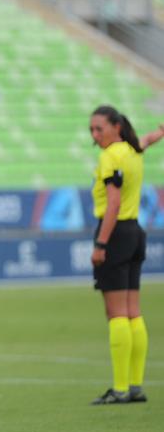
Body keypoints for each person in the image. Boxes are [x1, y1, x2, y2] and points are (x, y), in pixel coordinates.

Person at [88, 106, 163, 405]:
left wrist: (101, 245)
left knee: (116, 313)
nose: (95, 135)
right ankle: (135, 385)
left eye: (99, 129)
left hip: (116, 234)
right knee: (133, 310)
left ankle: (120, 389)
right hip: (136, 233)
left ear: (116, 126)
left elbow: (113, 204)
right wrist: (158, 134)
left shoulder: (110, 156)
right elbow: (143, 141)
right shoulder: (131, 150)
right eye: (91, 130)